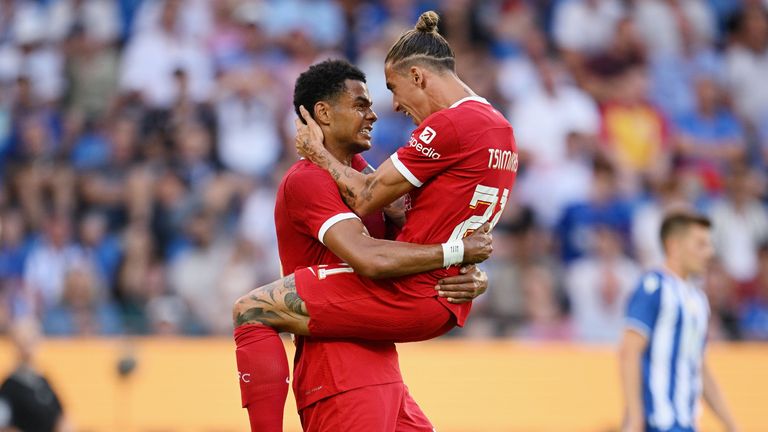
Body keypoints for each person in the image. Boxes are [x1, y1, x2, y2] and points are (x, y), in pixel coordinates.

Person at [232, 11, 516, 431]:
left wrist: (466, 267)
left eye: (387, 93)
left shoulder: (370, 173)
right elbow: (382, 250)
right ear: (324, 114)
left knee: (251, 309)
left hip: (366, 363)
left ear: (418, 76)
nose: (386, 110)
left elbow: (391, 236)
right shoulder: (309, 179)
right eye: (362, 103)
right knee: (249, 309)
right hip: (350, 370)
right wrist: (458, 259)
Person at [618, 211, 739, 432]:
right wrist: (635, 419)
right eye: (700, 244)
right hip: (657, 422)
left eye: (709, 245)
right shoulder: (653, 287)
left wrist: (731, 424)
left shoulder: (698, 300)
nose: (709, 252)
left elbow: (697, 365)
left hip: (686, 424)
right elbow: (629, 351)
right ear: (674, 246)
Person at [0, 318, 72, 432]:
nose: (28, 347)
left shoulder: (42, 380)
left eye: (32, 341)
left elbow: (61, 416)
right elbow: (4, 426)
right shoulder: (9, 386)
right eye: (23, 342)